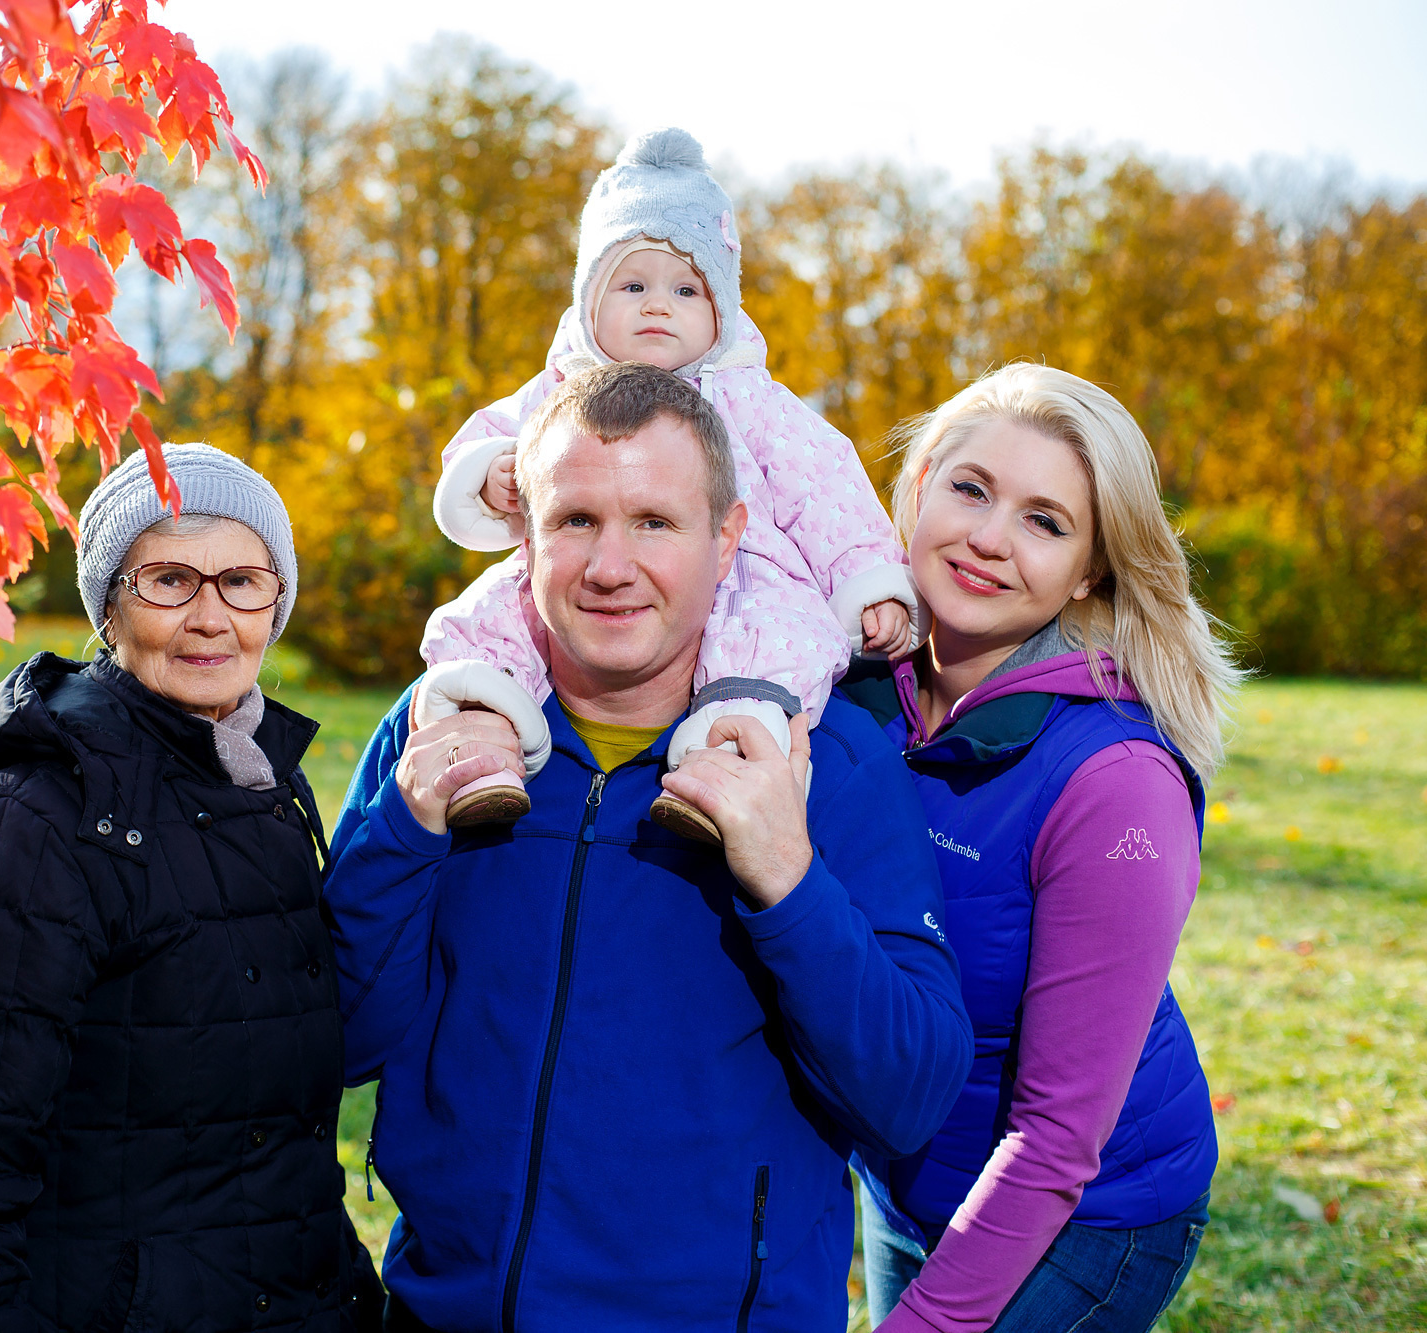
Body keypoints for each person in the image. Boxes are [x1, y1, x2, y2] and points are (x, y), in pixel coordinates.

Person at [325, 362, 973, 1332]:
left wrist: (784, 879)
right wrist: (405, 828)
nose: (608, 565)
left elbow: (908, 1096)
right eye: (575, 520)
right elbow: (333, 1038)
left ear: (727, 540)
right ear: (525, 536)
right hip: (449, 1309)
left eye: (654, 523)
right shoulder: (440, 731)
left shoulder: (819, 757)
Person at [0, 444, 381, 1332]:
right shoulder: (31, 824)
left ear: (278, 601)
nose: (211, 617)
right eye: (169, 580)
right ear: (109, 606)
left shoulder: (265, 784)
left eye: (243, 581)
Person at [839, 365, 1239, 1332]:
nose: (987, 538)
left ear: (1090, 570)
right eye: (970, 489)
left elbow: (1060, 1138)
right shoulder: (843, 689)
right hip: (908, 1179)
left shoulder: (1116, 785)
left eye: (1045, 521)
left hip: (1088, 1215)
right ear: (921, 483)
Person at [414, 127, 925, 840]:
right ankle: (482, 740)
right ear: (589, 300)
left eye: (686, 288)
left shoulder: (752, 398)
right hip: (571, 580)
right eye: (632, 285)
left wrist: (869, 579)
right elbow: (490, 434)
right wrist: (496, 469)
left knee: (775, 638)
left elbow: (825, 485)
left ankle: (731, 759)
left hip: (749, 573)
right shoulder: (562, 390)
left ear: (722, 308)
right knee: (503, 612)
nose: (658, 306)